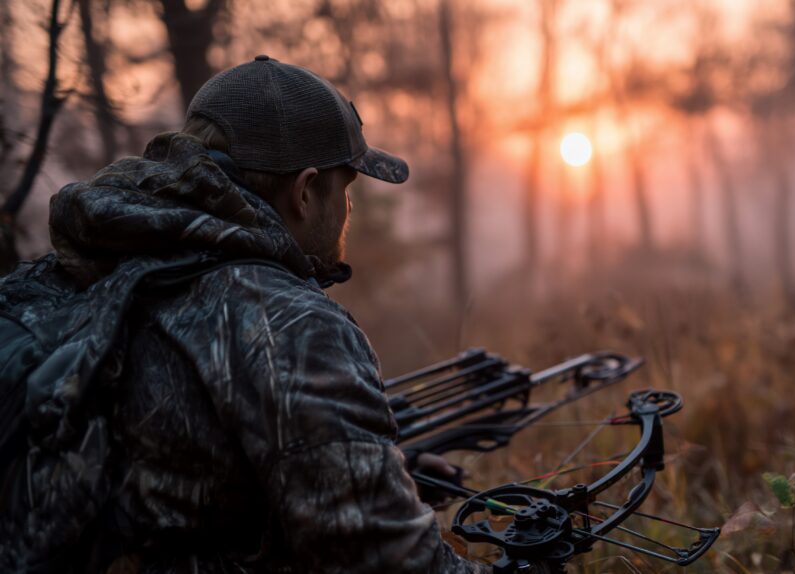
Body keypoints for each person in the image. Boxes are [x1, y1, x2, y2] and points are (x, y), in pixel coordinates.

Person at [10, 56, 490, 573]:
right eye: (344, 189)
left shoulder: (87, 264)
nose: (347, 210)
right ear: (305, 192)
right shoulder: (294, 326)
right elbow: (389, 560)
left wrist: (375, 469)